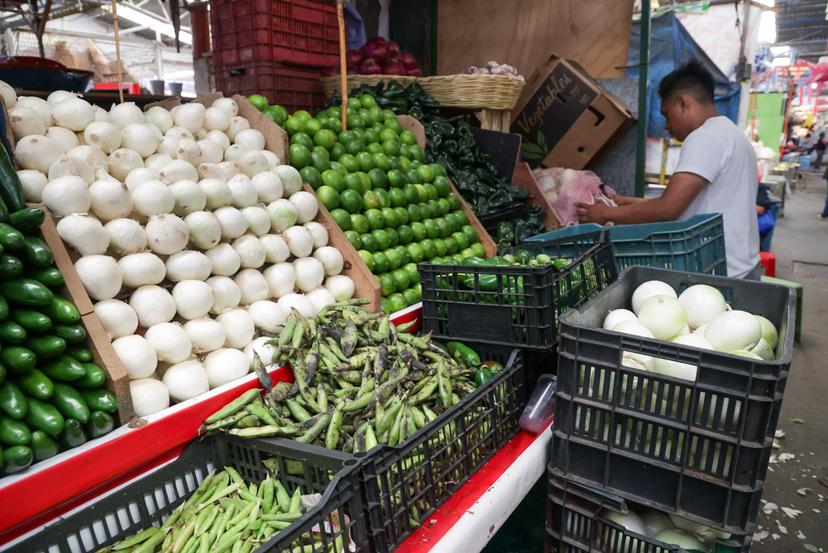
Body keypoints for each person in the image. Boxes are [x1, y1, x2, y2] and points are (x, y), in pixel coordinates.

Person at [576, 60, 761, 279]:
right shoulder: (732, 134)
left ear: (683, 103)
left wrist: (604, 213)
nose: (665, 125)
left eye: (666, 114)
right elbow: (691, 205)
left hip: (723, 272)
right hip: (742, 266)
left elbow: (668, 209)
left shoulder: (705, 137)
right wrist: (625, 201)